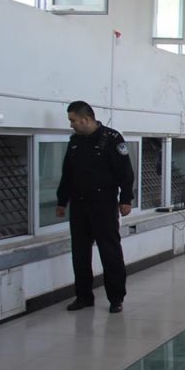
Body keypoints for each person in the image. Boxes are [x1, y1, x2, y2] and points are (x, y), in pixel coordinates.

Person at [57, 101, 134, 314]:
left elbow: (125, 172)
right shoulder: (75, 142)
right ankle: (83, 296)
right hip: (80, 206)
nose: (71, 124)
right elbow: (68, 174)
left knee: (110, 253)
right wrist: (61, 201)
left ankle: (116, 298)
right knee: (79, 254)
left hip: (103, 206)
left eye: (73, 120)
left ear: (86, 119)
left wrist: (126, 199)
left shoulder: (112, 139)